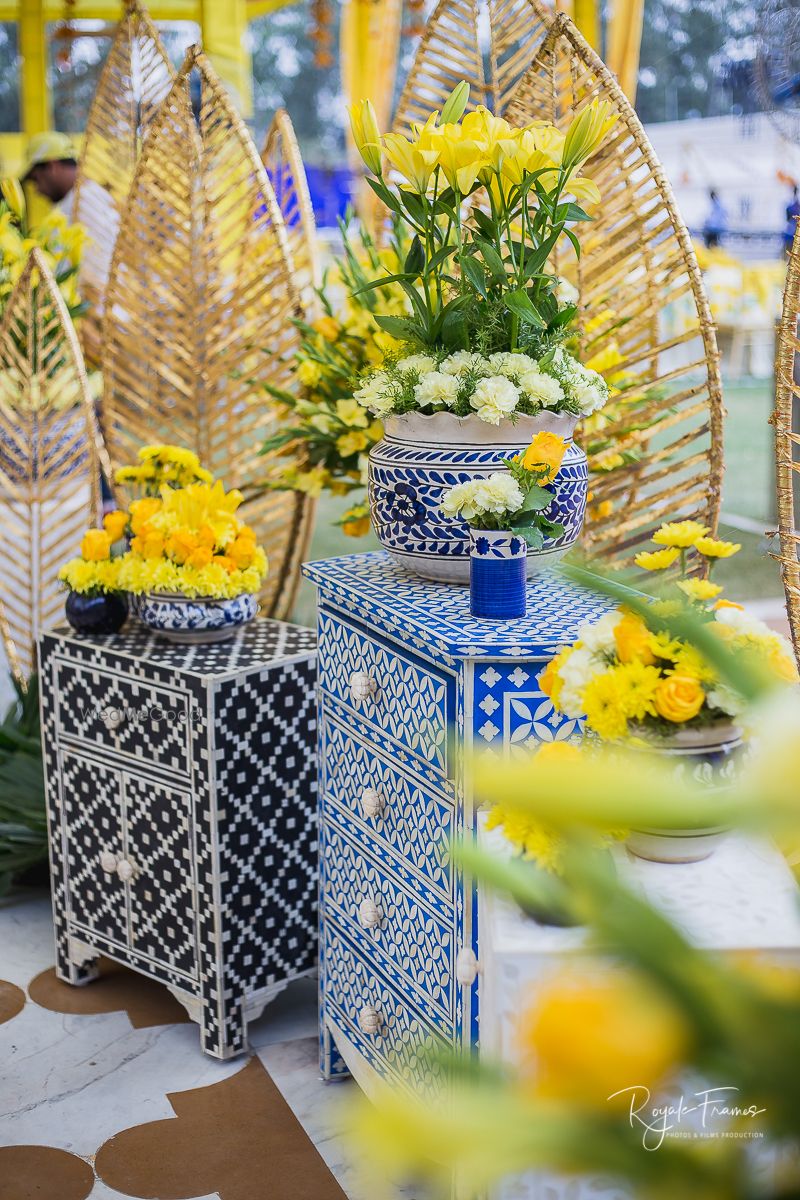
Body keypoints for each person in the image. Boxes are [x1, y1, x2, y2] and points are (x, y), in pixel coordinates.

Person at [21, 131, 79, 219]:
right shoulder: (82, 199)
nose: (37, 191)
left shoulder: (82, 207)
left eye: (35, 179)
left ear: (52, 166)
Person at [784, 185, 800, 257]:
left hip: (793, 229)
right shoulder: (793, 205)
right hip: (793, 229)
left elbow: (787, 218)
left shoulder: (791, 205)